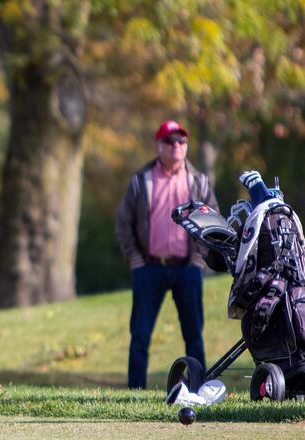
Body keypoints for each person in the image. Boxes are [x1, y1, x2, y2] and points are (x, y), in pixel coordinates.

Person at [115, 120, 219, 389]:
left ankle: (199, 389)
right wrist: (135, 260)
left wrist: (199, 260)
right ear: (158, 145)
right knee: (140, 335)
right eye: (170, 141)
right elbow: (124, 225)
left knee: (194, 335)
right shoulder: (141, 181)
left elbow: (213, 223)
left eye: (182, 141)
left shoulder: (198, 181)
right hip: (149, 268)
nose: (177, 146)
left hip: (188, 269)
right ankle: (135, 391)